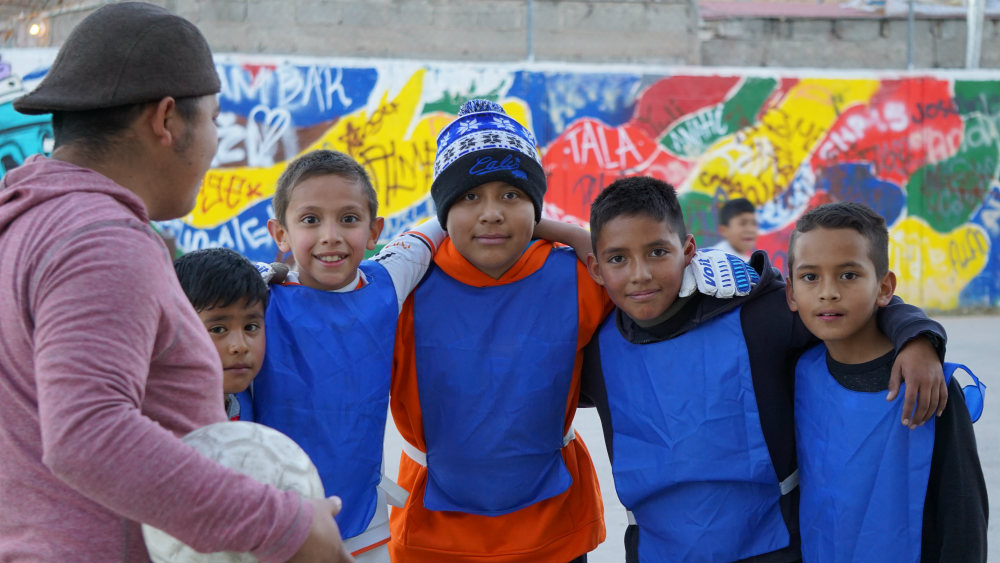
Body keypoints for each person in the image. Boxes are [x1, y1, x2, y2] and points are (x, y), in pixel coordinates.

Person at [0, 4, 351, 562]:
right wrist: (286, 526)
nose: (216, 142)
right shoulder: (101, 239)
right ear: (167, 121)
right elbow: (88, 436)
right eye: (213, 118)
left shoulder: (27, 220)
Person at [579, 176, 948, 563]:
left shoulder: (757, 317)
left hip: (772, 548)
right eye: (618, 258)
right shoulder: (596, 351)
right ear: (597, 267)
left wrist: (917, 337)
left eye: (657, 252)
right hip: (656, 551)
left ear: (688, 250)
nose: (641, 274)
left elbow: (853, 306)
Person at [252, 149, 447, 562]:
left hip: (365, 528)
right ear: (280, 234)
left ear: (374, 230)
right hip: (275, 528)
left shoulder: (387, 281)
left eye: (348, 218)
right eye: (310, 220)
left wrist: (570, 234)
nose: (330, 235)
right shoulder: (256, 299)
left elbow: (442, 222)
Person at [785, 201, 988, 563]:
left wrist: (920, 338)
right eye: (810, 276)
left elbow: (963, 514)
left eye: (848, 275)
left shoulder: (928, 381)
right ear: (791, 293)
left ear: (884, 287)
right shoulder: (799, 371)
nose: (828, 291)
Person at [174, 247, 269, 421]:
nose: (240, 346)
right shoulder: (156, 417)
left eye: (251, 327)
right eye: (218, 329)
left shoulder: (251, 400)